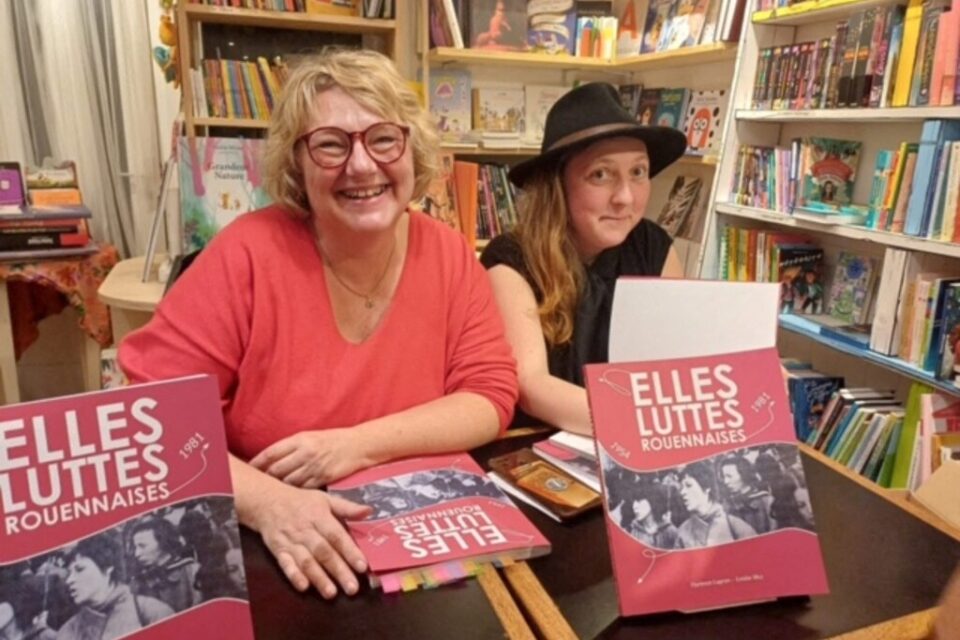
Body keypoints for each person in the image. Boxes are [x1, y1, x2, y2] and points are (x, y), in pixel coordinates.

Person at [118, 49, 518, 599]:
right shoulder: (247, 253)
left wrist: (354, 446)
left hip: (411, 540)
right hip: (272, 543)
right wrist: (267, 502)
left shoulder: (448, 252)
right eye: (330, 144)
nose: (360, 165)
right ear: (297, 168)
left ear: (412, 149)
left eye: (382, 138)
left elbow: (489, 396)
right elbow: (145, 418)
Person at [480, 82, 687, 434]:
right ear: (557, 186)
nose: (624, 197)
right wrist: (646, 424)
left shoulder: (654, 246)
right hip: (539, 447)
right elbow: (531, 386)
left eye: (637, 172)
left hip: (636, 440)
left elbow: (679, 354)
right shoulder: (510, 261)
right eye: (601, 175)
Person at [56, 536, 173, 640]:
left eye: (80, 569)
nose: (69, 580)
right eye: (69, 573)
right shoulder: (68, 630)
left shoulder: (151, 612)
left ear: (108, 568)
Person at [676, 462, 756, 548]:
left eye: (689, 485)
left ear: (707, 488)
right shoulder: (682, 532)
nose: (682, 492)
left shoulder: (734, 524)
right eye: (681, 488)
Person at [128, 518, 201, 612]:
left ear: (164, 543)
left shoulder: (192, 572)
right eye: (135, 547)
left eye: (143, 546)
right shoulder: (137, 583)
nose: (136, 554)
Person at [718, 455, 775, 534]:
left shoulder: (766, 501)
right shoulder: (727, 507)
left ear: (744, 474)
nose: (725, 481)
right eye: (723, 477)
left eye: (729, 476)